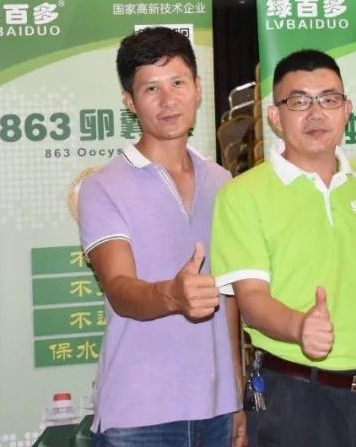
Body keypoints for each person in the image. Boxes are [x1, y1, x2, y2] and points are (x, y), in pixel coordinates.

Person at [212, 49, 356, 447]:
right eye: (299, 101)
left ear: (347, 110)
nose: (316, 114)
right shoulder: (243, 194)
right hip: (294, 396)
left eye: (329, 99)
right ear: (275, 116)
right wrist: (300, 327)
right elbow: (251, 300)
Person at [77, 27, 244, 447]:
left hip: (216, 410)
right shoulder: (103, 186)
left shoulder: (222, 182)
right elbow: (120, 289)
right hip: (138, 415)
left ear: (198, 88)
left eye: (178, 83)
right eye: (151, 88)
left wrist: (236, 394)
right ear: (129, 101)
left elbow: (228, 298)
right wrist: (173, 294)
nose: (168, 100)